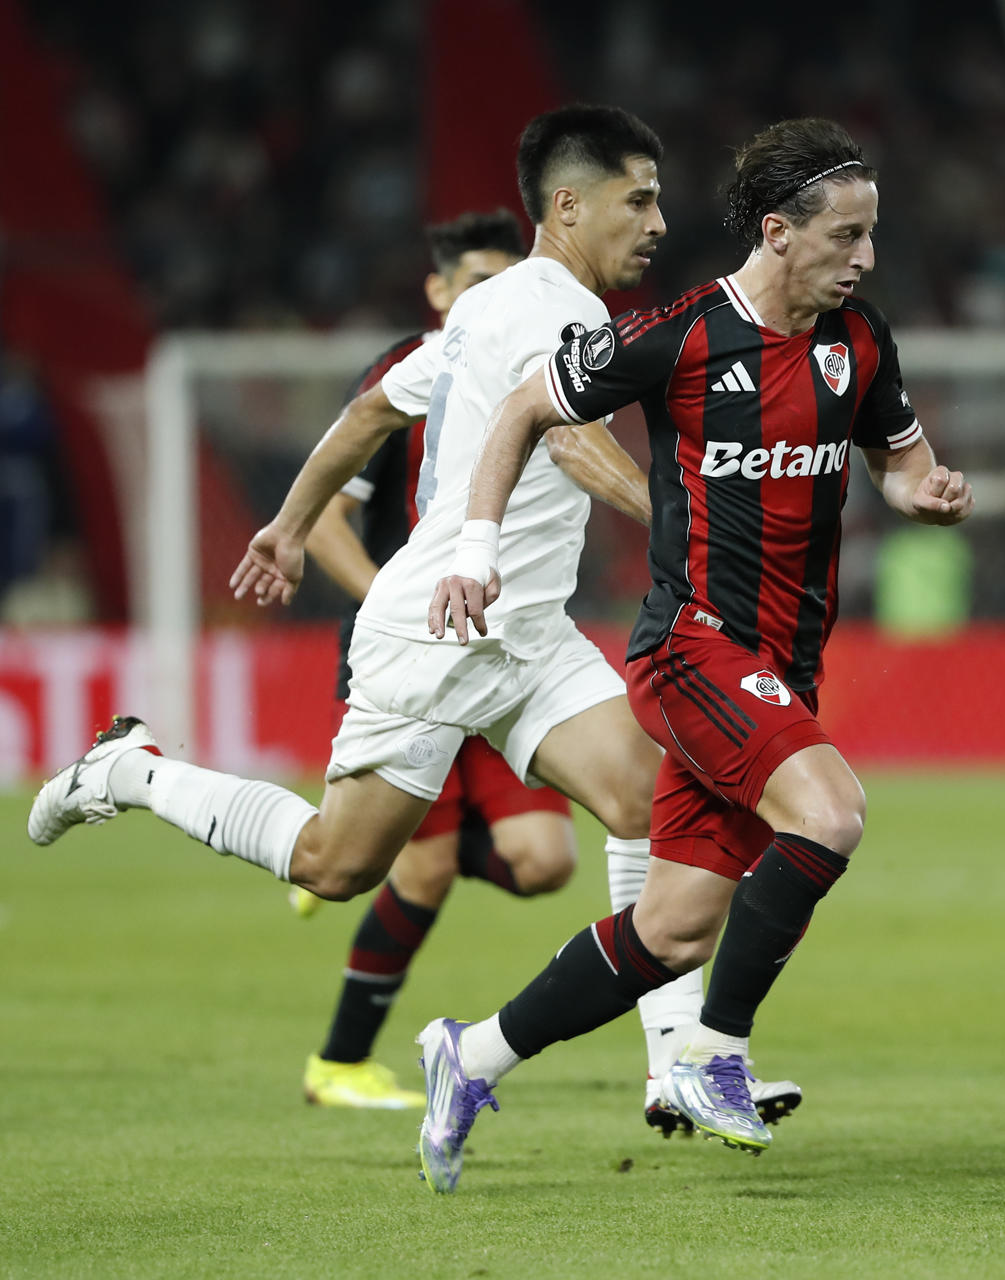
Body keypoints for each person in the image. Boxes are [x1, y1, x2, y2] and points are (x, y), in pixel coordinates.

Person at [27, 105, 798, 1131]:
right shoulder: (549, 315)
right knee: (335, 865)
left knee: (658, 808)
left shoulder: (491, 306)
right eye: (639, 197)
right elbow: (565, 444)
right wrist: (688, 518)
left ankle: (675, 1063)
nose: (659, 220)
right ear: (570, 204)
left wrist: (290, 523)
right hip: (435, 629)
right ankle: (127, 769)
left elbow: (373, 410)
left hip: (527, 634)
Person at [409, 117, 974, 1192]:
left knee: (669, 929)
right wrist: (474, 546)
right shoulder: (680, 336)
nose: (864, 256)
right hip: (691, 652)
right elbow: (530, 406)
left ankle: (469, 1053)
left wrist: (926, 492)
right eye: (846, 234)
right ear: (778, 231)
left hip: (782, 665)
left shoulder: (860, 341)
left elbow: (903, 463)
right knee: (832, 810)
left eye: (871, 234)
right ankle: (715, 1051)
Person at [295, 209, 579, 1110]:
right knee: (411, 871)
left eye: (506, 283)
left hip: (498, 649)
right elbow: (329, 525)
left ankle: (358, 832)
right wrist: (403, 601)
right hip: (418, 653)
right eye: (475, 283)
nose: (492, 300)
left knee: (543, 860)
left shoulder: (534, 366)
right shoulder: (409, 375)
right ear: (438, 290)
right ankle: (338, 1061)